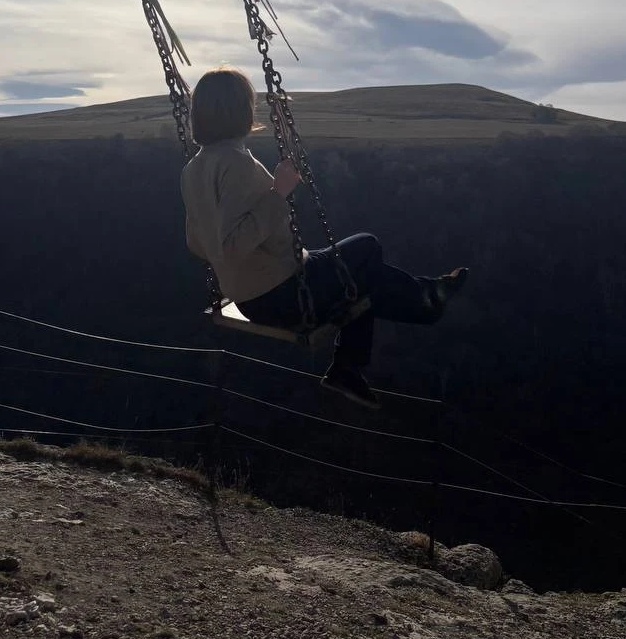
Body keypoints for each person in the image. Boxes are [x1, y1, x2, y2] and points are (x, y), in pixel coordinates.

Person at [180, 66, 467, 409]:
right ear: (240, 109)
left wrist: (250, 261)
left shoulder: (193, 169)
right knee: (367, 247)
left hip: (251, 295)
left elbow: (198, 242)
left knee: (362, 275)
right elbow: (231, 246)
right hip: (281, 295)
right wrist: (279, 193)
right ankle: (422, 304)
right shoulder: (234, 164)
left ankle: (421, 303)